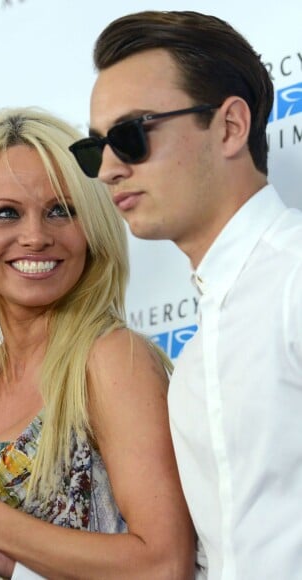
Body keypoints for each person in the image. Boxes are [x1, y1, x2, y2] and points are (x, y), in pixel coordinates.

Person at [0, 107, 196, 579]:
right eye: (4, 213)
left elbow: (163, 566)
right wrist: (2, 564)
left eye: (61, 211)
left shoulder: (110, 359)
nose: (36, 237)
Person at [68, 10, 302, 579]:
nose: (107, 171)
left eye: (130, 136)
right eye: (94, 148)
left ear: (228, 127)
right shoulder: (194, 362)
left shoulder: (295, 277)